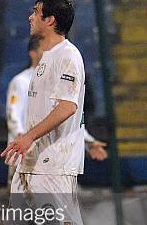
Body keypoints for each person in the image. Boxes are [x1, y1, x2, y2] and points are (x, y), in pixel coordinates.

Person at [1, 0, 136, 225]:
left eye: (35, 12)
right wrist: (25, 144)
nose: (30, 17)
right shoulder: (46, 57)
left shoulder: (68, 56)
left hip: (52, 161)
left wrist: (28, 137)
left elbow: (68, 107)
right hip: (30, 159)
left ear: (50, 20)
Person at [6, 35, 108, 184]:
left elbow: (68, 117)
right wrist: (24, 139)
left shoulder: (60, 83)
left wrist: (88, 142)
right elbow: (13, 116)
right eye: (45, 49)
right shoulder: (20, 82)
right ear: (33, 53)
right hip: (26, 156)